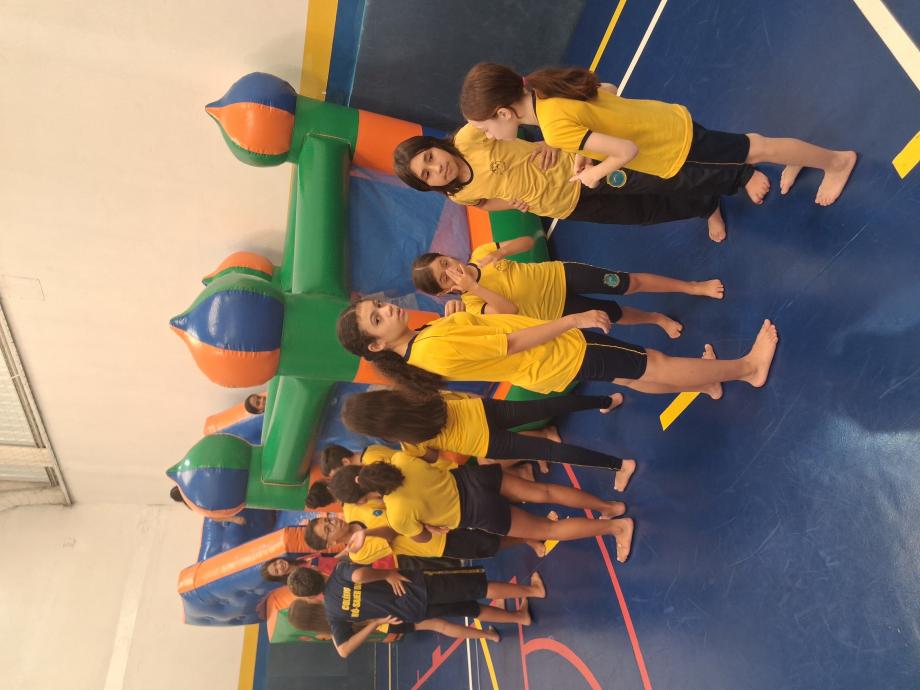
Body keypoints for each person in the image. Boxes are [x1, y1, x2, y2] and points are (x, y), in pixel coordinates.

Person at [459, 63, 856, 209]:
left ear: (504, 113)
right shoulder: (544, 88)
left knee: (754, 150)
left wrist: (594, 173)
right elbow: (607, 91)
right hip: (665, 122)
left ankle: (836, 162)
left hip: (672, 146)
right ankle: (799, 158)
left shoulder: (551, 127)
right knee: (749, 145)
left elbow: (625, 150)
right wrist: (584, 152)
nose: (489, 135)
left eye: (485, 128)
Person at [336, 298, 778, 402]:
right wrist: (571, 320)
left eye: (377, 305)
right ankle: (747, 368)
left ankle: (703, 384)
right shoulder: (429, 347)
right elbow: (509, 343)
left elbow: (486, 339)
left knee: (629, 375)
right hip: (559, 351)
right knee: (652, 364)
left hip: (550, 364)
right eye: (377, 318)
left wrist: (455, 315)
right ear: (377, 344)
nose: (386, 309)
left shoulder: (422, 344)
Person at [393, 126, 761, 243]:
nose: (436, 168)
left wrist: (548, 141)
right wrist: (515, 203)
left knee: (657, 179)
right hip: (568, 205)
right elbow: (485, 204)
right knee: (644, 213)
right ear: (429, 186)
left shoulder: (469, 138)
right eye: (427, 174)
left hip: (582, 168)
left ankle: (737, 175)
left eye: (429, 157)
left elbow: (505, 112)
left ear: (434, 145)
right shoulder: (459, 194)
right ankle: (705, 205)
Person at [327, 453, 635, 563]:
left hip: (476, 511)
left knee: (548, 529)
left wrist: (427, 525)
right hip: (474, 478)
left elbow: (424, 537)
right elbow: (432, 459)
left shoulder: (398, 514)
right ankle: (608, 506)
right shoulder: (400, 460)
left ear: (362, 499)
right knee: (545, 491)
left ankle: (615, 527)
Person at [412, 235, 724, 339]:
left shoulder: (482, 254)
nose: (451, 271)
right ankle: (656, 318)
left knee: (628, 283)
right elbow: (510, 310)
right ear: (444, 292)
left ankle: (692, 287)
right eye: (445, 278)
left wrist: (500, 252)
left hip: (562, 276)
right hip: (559, 310)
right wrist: (473, 287)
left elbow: (528, 241)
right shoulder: (472, 306)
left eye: (444, 263)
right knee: (614, 314)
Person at [341, 388, 636, 490]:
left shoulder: (409, 443)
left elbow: (441, 459)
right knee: (545, 407)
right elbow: (457, 395)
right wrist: (480, 403)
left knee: (548, 451)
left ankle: (619, 465)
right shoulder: (413, 395)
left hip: (484, 442)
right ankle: (606, 400)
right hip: (483, 409)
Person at [287, 562, 545, 657]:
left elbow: (343, 650)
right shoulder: (340, 572)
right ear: (313, 569)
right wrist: (387, 574)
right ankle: (533, 591)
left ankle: (519, 618)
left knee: (471, 609)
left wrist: (374, 624)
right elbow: (358, 575)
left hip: (412, 613)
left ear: (310, 596)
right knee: (479, 588)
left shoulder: (333, 613)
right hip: (416, 589)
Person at [304, 510, 545, 565]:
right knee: (488, 544)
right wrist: (365, 534)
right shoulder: (360, 554)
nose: (333, 522)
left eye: (328, 520)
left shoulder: (353, 507)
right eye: (328, 529)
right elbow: (393, 533)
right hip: (435, 542)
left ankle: (535, 526)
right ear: (331, 544)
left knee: (487, 517)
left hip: (434, 514)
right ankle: (525, 539)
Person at [169, 485, 246, 525]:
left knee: (212, 516)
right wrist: (233, 519)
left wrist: (234, 519)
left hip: (218, 500)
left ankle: (235, 519)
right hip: (217, 500)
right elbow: (211, 515)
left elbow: (211, 516)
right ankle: (235, 519)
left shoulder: (190, 499)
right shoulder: (190, 502)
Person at [320, 444, 396, 477]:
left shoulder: (370, 462)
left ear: (345, 462)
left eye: (339, 474)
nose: (341, 478)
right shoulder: (370, 449)